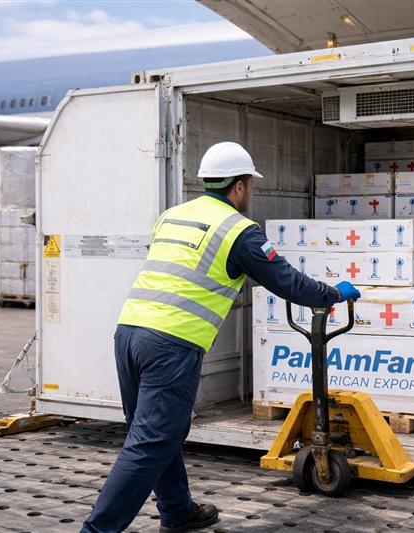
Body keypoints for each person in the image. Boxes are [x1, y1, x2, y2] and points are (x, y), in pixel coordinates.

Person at [81, 141, 361, 532]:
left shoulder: (172, 216)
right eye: (250, 184)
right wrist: (332, 294)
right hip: (171, 342)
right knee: (150, 441)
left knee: (158, 434)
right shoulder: (239, 231)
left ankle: (177, 510)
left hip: (129, 333)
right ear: (240, 185)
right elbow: (288, 283)